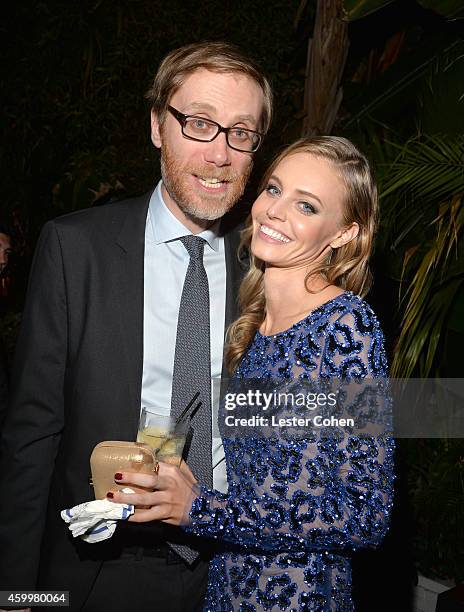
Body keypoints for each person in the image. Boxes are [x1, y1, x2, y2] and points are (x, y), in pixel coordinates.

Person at [0, 42, 272, 612]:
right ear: (157, 126)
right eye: (199, 124)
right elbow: (31, 436)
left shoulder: (273, 266)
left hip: (235, 571)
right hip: (99, 569)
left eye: (240, 132)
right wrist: (19, 595)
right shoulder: (76, 249)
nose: (220, 154)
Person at [110, 137, 395, 611]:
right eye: (273, 189)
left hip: (298, 593)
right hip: (226, 584)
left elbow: (365, 513)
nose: (275, 211)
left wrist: (201, 509)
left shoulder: (345, 328)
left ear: (344, 233)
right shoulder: (253, 323)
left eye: (306, 205)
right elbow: (258, 481)